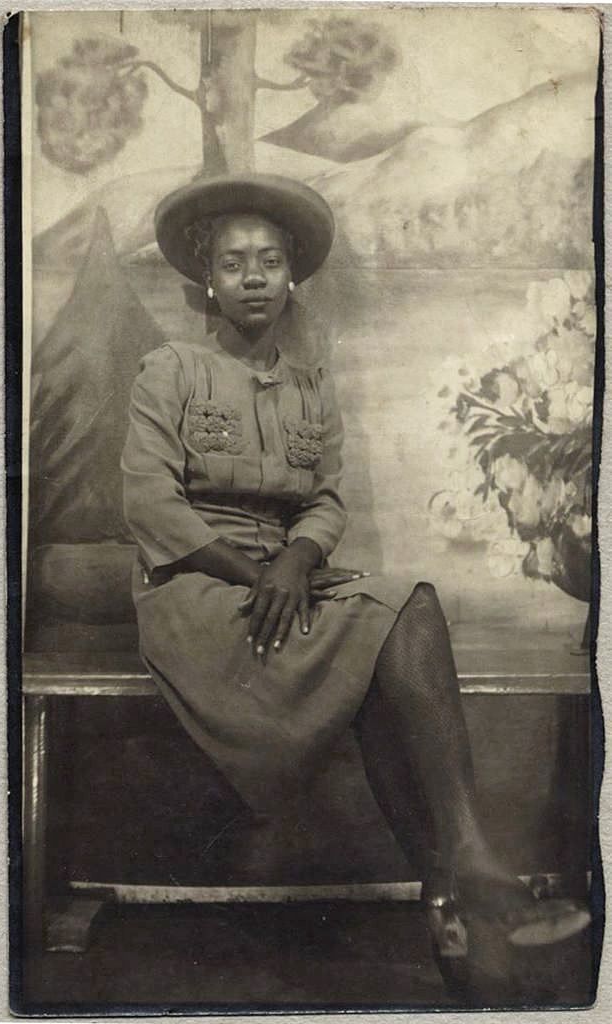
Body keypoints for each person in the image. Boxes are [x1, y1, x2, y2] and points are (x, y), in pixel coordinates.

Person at [121, 173, 589, 996]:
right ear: (206, 281)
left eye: (270, 260)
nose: (255, 277)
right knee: (387, 640)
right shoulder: (171, 371)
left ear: (292, 274)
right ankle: (462, 879)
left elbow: (327, 497)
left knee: (409, 603)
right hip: (198, 592)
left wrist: (298, 560)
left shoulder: (312, 385)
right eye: (234, 264)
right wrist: (257, 572)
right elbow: (150, 504)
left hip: (287, 582)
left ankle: (455, 877)